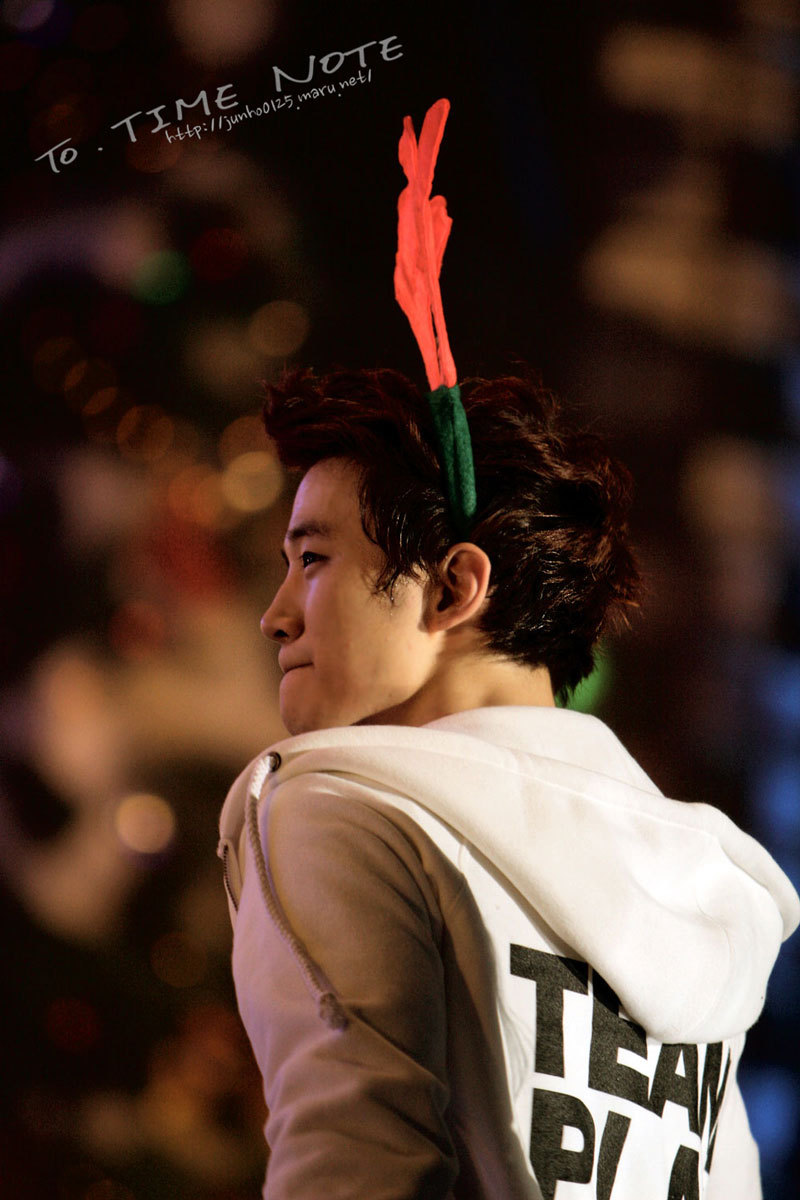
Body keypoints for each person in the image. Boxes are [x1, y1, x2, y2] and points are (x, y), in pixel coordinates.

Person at [218, 363, 800, 1200]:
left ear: (454, 587)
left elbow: (354, 1172)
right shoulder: (703, 889)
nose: (275, 616)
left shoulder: (347, 811)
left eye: (312, 558)